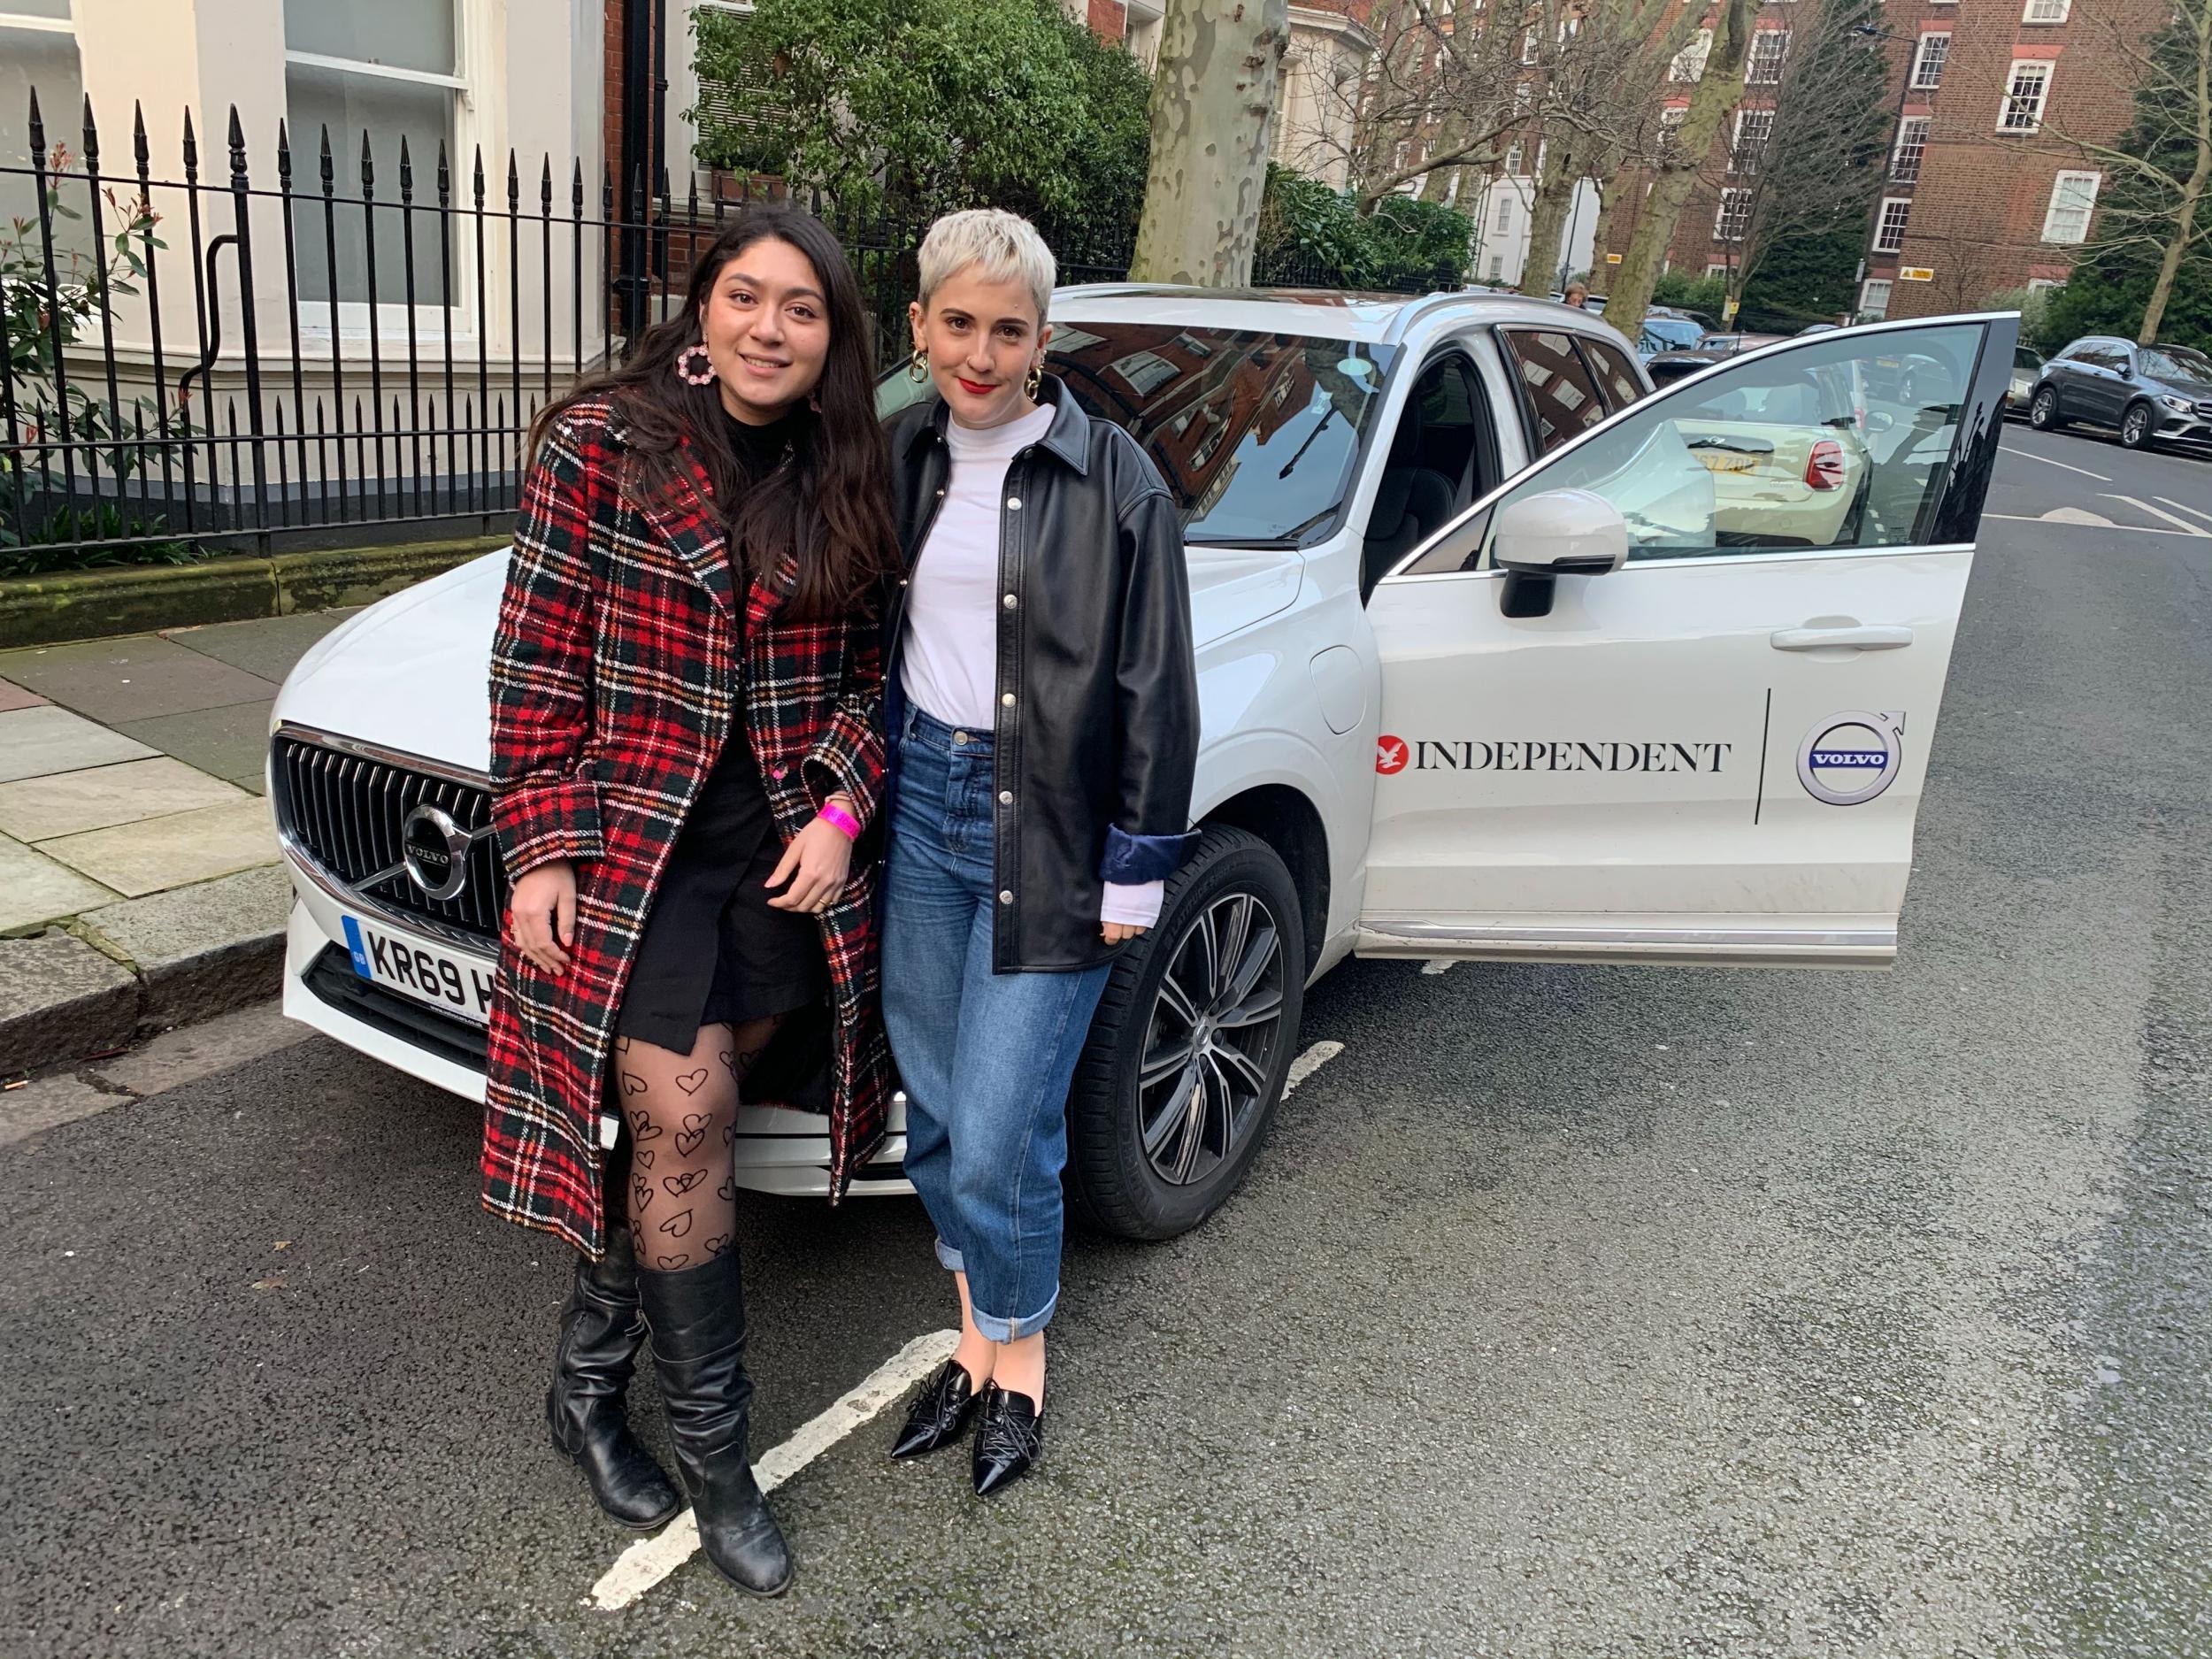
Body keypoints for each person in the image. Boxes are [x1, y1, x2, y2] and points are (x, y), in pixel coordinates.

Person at [483, 206, 897, 1595]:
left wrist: (842, 808)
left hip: (781, 851)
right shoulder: (602, 441)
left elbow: (881, 678)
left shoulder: (852, 466)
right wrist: (539, 847)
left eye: (801, 309)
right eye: (744, 296)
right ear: (702, 308)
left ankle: (586, 1385)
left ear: (834, 338)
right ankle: (720, 1456)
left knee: (714, 1108)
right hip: (637, 845)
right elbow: (534, 655)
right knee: (681, 1112)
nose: (768, 327)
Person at [878, 209, 1200, 1495]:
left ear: (1042, 341)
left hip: (1053, 835)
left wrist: (1137, 866)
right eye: (958, 323)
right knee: (945, 1116)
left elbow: (1156, 684)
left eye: (1008, 330)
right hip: (919, 813)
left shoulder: (1114, 475)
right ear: (920, 328)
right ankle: (972, 1341)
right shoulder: (901, 455)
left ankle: (1023, 1368)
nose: (980, 351)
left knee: (1011, 1123)